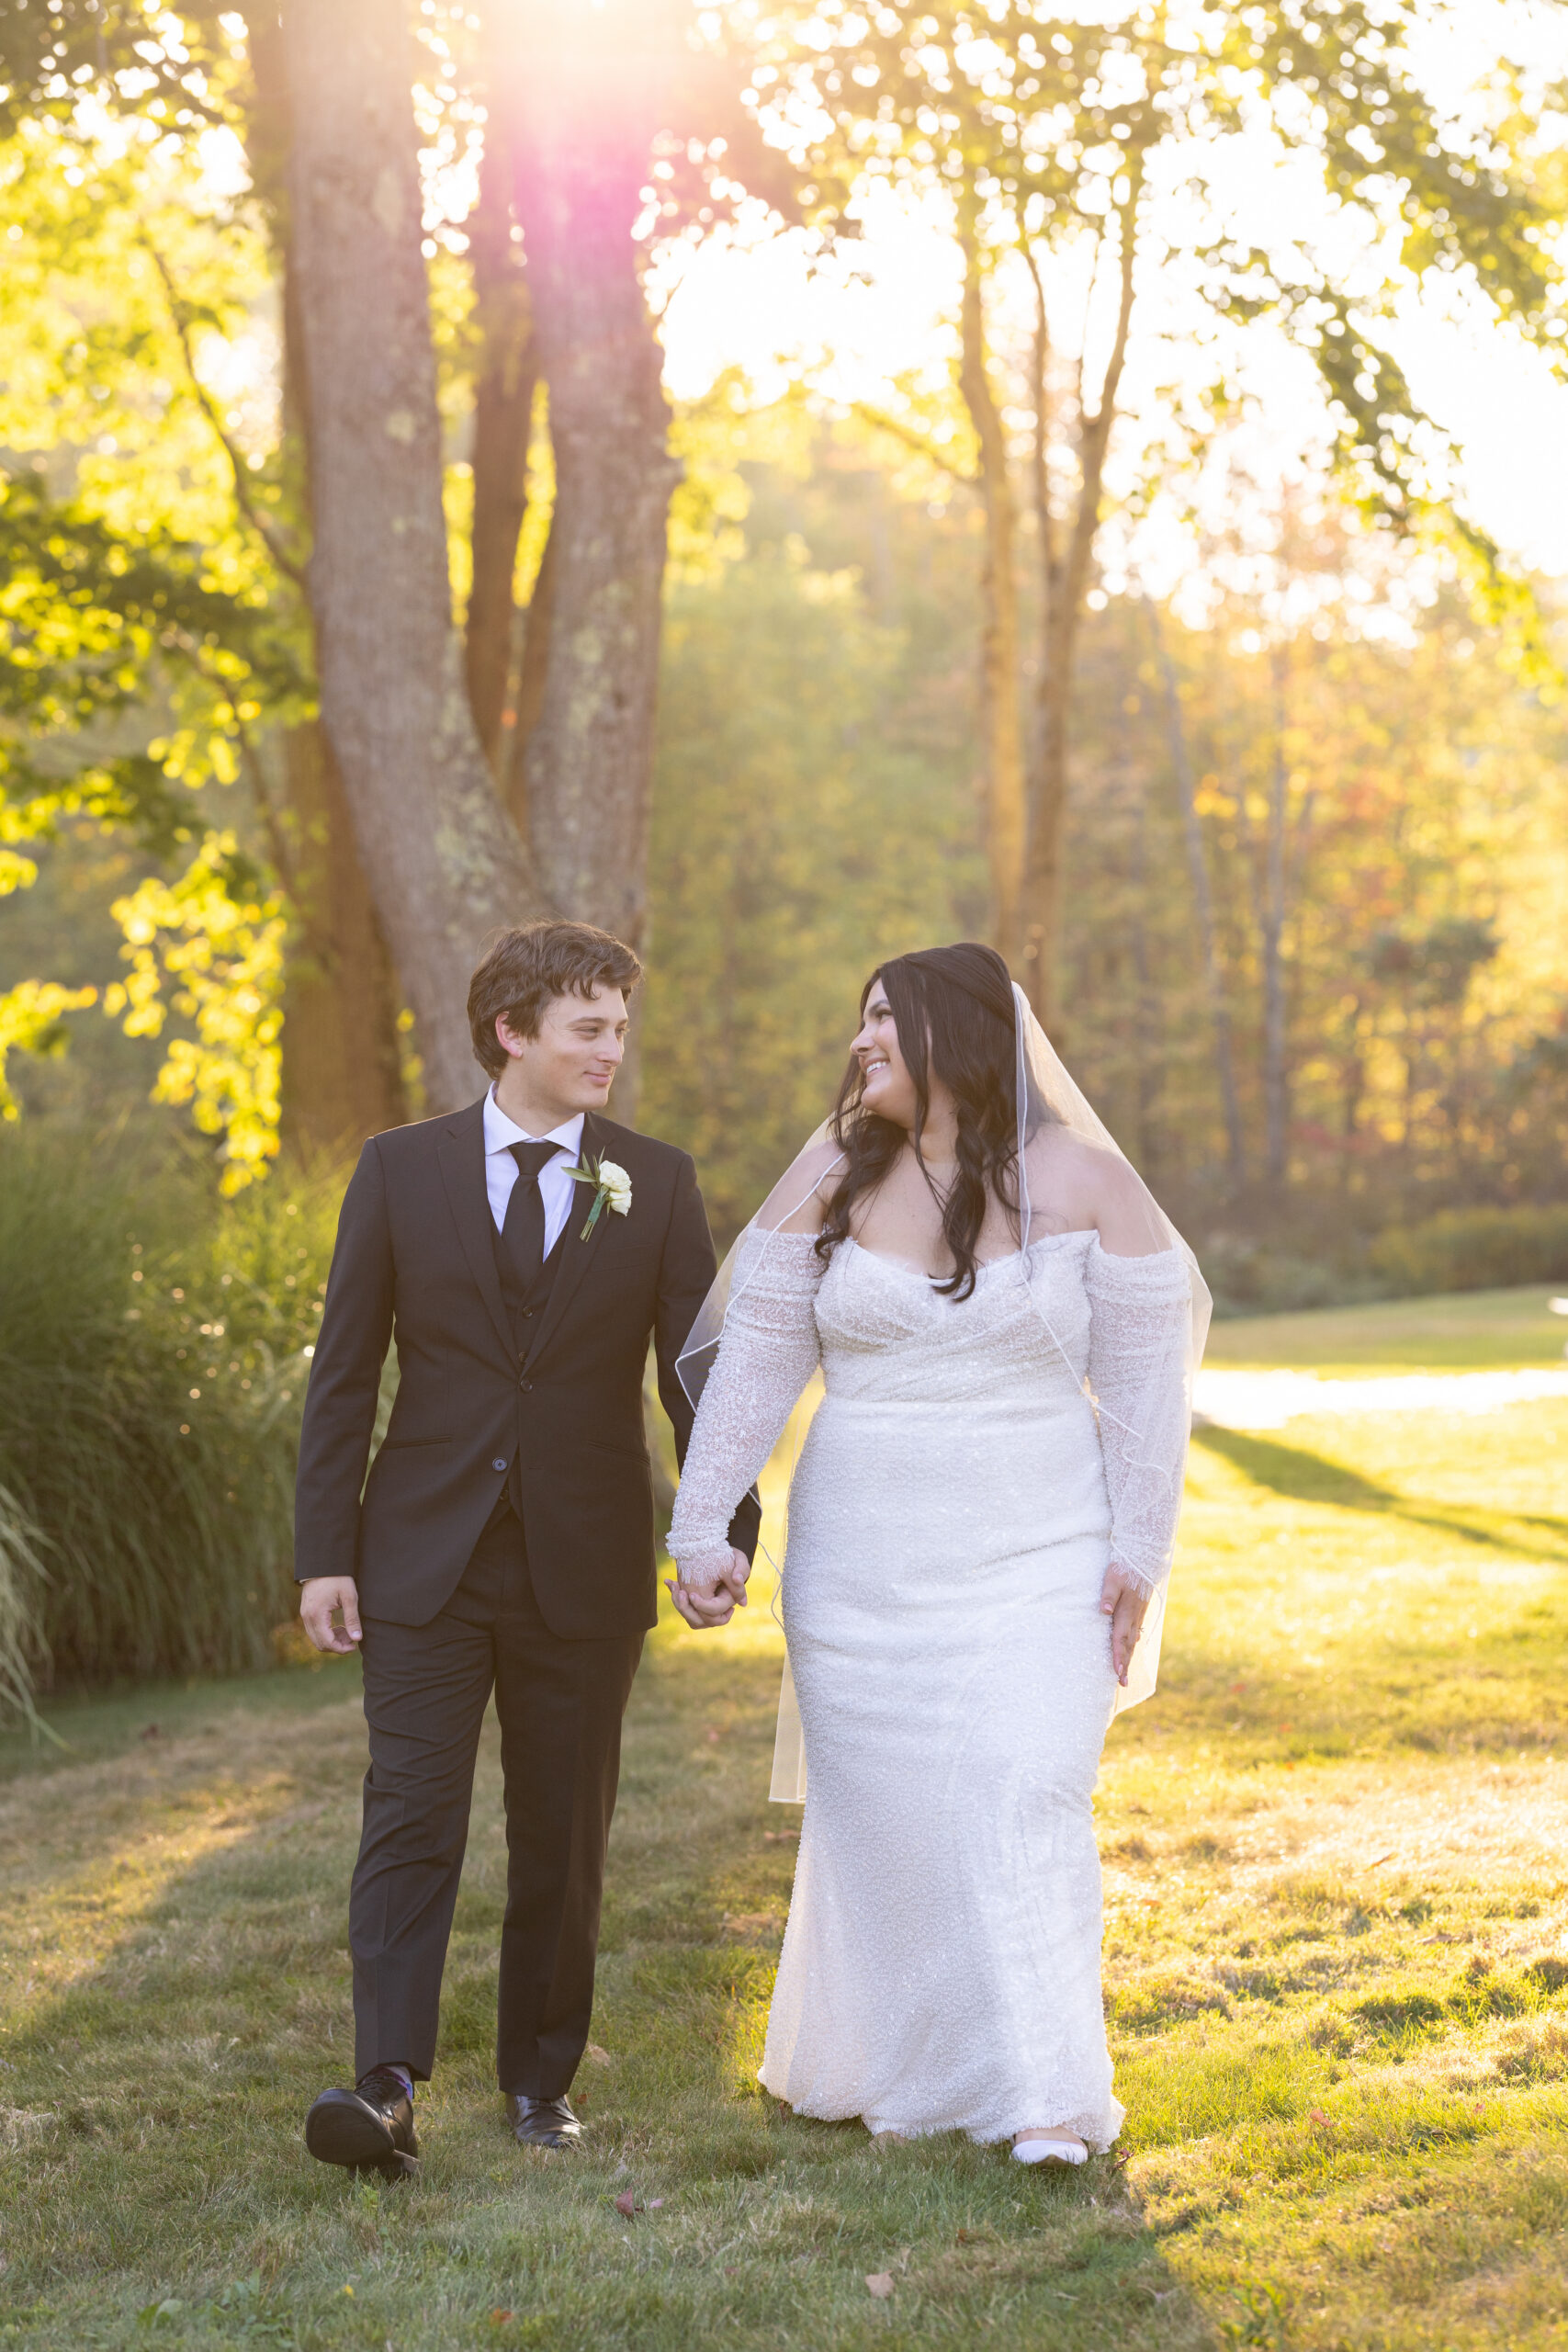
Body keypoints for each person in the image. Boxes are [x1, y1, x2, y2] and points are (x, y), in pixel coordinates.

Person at [665, 943, 1207, 2164]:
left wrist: (1139, 1550)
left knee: (1024, 1792)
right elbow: (753, 1363)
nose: (859, 1045)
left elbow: (1141, 1391)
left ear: (957, 1034)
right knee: (894, 1826)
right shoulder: (830, 1174)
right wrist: (703, 1523)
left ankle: (1051, 2095)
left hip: (1042, 1556)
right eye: (857, 1023)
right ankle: (911, 2067)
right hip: (860, 1570)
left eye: (881, 1023)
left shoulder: (1090, 1182)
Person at [294, 921, 757, 2177]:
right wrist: (323, 1550)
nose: (613, 1049)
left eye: (619, 1027)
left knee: (564, 1828)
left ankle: (540, 2086)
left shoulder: (653, 1182)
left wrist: (718, 1533)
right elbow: (344, 1375)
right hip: (422, 1558)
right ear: (514, 1033)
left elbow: (696, 1379)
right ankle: (383, 2083)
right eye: (588, 1028)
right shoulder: (399, 1170)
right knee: (410, 1814)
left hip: (586, 1560)